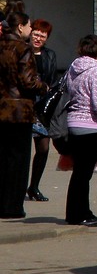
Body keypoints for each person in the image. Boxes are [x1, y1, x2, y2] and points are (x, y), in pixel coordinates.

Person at [63, 34, 97, 227]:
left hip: (73, 124)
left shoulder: (73, 69)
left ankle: (74, 213)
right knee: (84, 173)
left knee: (79, 172)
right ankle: (82, 213)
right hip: (91, 127)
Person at [0, 11, 47, 219]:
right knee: (18, 160)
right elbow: (28, 81)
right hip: (19, 111)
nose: (30, 30)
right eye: (28, 27)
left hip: (1, 109)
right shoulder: (23, 48)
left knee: (3, 157)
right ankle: (12, 207)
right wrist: (44, 86)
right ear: (20, 27)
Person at [26, 19, 58, 203]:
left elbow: (53, 79)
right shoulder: (22, 51)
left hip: (42, 105)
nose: (38, 38)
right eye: (36, 34)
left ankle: (34, 186)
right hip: (25, 103)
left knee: (43, 147)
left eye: (42, 36)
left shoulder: (50, 55)